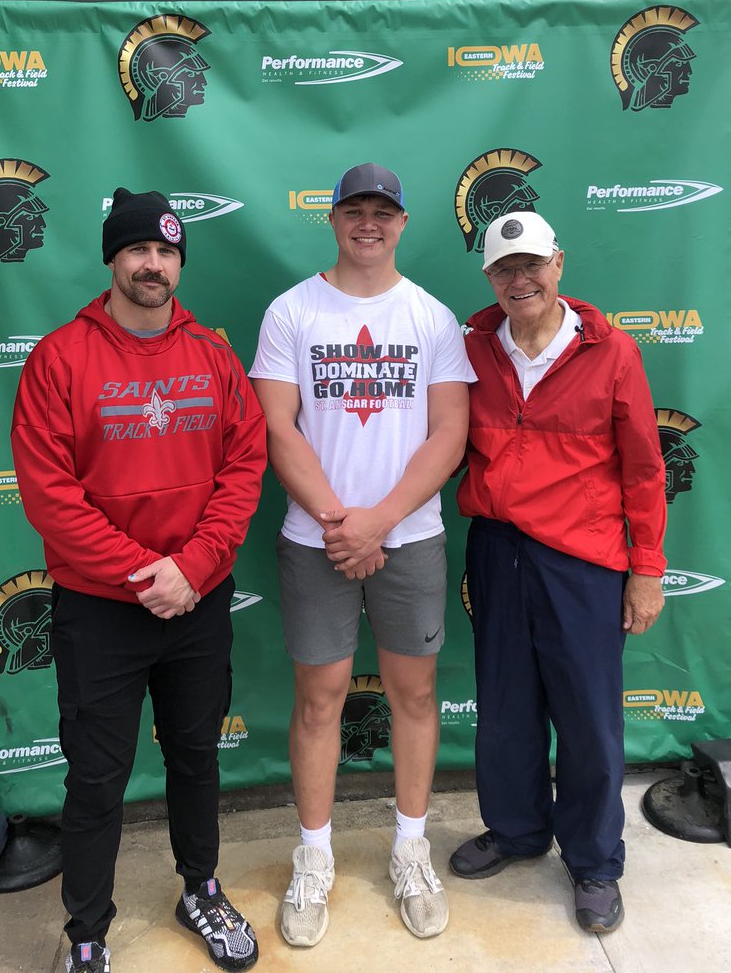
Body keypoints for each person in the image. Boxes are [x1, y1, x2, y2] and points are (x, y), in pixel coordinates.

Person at [11, 188, 266, 973]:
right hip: (101, 611)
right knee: (96, 778)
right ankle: (87, 933)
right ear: (113, 260)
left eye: (165, 251)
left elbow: (245, 466)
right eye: (137, 250)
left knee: (196, 758)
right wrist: (139, 573)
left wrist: (189, 570)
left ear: (178, 262)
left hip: (196, 599)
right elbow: (50, 495)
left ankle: (202, 888)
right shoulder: (60, 359)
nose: (152, 264)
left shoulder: (213, 357)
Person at [249, 162, 475, 946]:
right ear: (334, 218)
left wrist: (377, 521)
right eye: (355, 210)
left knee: (414, 696)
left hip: (408, 538)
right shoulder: (291, 311)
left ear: (404, 223)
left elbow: (451, 431)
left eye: (384, 211)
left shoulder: (432, 318)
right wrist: (341, 523)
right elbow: (277, 426)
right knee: (320, 699)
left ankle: (412, 847)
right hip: (317, 542)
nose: (369, 224)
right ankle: (314, 857)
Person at [448, 210, 666, 934]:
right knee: (505, 707)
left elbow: (643, 468)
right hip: (498, 549)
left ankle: (597, 860)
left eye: (533, 265)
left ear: (560, 265)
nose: (521, 280)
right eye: (506, 269)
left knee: (589, 720)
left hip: (585, 562)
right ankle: (516, 831)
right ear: (489, 278)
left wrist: (647, 569)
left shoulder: (611, 353)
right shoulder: (470, 348)